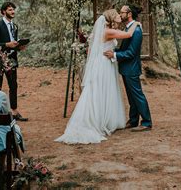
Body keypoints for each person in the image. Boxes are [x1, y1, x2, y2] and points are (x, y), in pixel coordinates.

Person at [56, 9, 140, 144]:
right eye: (117, 14)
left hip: (105, 63)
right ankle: (95, 120)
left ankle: (103, 118)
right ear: (112, 18)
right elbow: (129, 34)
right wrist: (136, 23)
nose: (119, 15)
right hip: (104, 65)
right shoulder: (108, 31)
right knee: (100, 91)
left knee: (103, 91)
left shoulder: (105, 30)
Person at [104, 4, 152, 132]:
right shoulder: (129, 29)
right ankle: (133, 120)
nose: (120, 15)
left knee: (138, 95)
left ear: (129, 14)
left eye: (122, 12)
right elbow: (125, 49)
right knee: (131, 97)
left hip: (132, 69)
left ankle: (146, 122)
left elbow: (131, 53)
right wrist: (114, 50)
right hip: (126, 68)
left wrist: (114, 54)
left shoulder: (136, 31)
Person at [0, 2, 27, 121]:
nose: (13, 12)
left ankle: (14, 112)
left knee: (13, 85)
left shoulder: (14, 26)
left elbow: (13, 42)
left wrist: (18, 47)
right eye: (10, 10)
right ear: (3, 12)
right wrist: (7, 44)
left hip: (11, 60)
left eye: (13, 10)